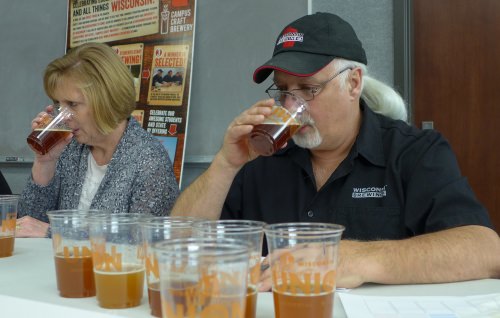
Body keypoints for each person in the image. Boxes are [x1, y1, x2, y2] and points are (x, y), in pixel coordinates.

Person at [171, 13, 500, 289]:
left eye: (308, 89)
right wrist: (225, 164)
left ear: (353, 83)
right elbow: (174, 251)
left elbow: (486, 250)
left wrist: (356, 259)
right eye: (283, 91)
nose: (290, 105)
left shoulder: (414, 153)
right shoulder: (259, 159)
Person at [17, 42, 180, 238]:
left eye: (72, 104)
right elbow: (28, 225)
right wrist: (45, 161)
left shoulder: (149, 161)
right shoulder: (70, 148)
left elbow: (143, 244)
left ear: (106, 100)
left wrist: (54, 233)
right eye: (58, 104)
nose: (64, 116)